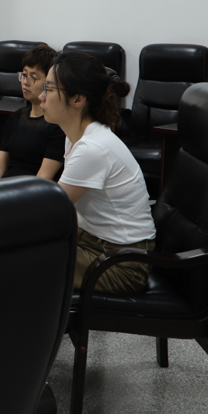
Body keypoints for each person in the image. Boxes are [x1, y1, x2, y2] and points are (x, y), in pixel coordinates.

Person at [39, 51, 156, 294]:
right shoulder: (78, 137)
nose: (41, 96)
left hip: (122, 263)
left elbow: (51, 209)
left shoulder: (92, 148)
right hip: (95, 242)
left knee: (19, 257)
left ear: (77, 99)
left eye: (48, 89)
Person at [0, 44, 65, 180]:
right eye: (24, 75)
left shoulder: (57, 125)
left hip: (31, 190)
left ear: (49, 82)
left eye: (33, 77)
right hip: (5, 186)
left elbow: (43, 178)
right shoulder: (16, 117)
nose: (25, 82)